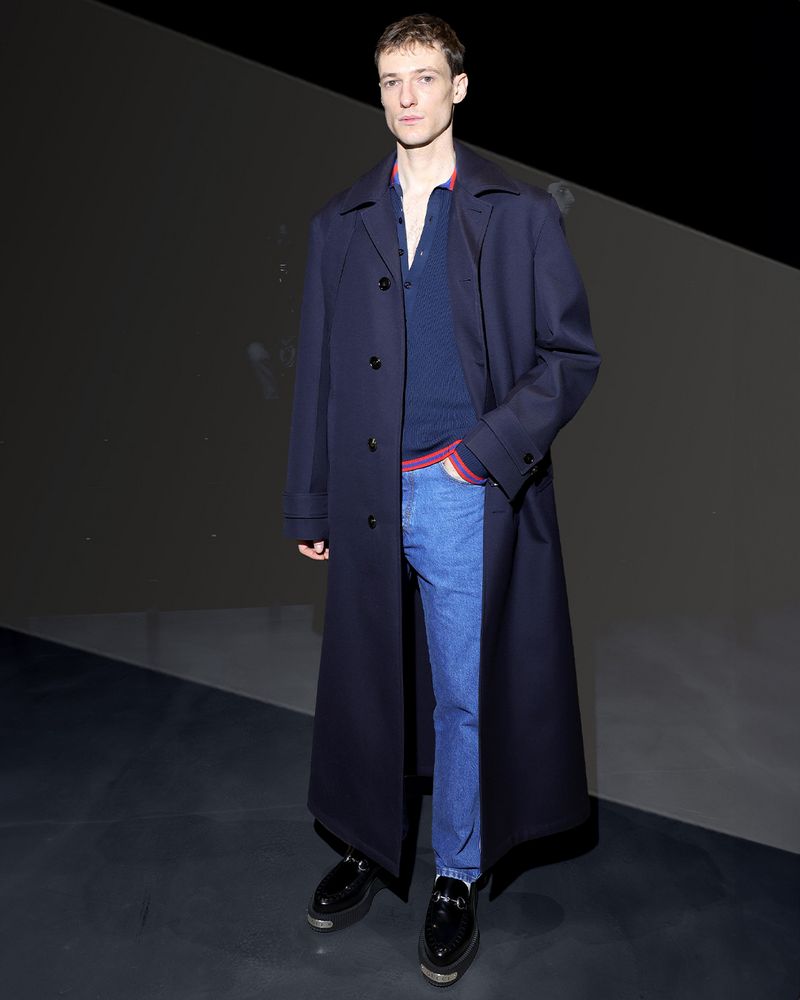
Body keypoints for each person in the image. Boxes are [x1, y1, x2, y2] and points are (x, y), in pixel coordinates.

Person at [282, 13, 601, 988]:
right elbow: (318, 373)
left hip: (463, 494)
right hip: (367, 495)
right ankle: (365, 846)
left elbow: (569, 357)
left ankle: (455, 873)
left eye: (424, 76)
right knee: (366, 682)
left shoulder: (518, 213)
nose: (406, 96)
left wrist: (481, 456)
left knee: (464, 697)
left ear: (459, 85)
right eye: (391, 80)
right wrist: (310, 502)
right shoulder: (340, 221)